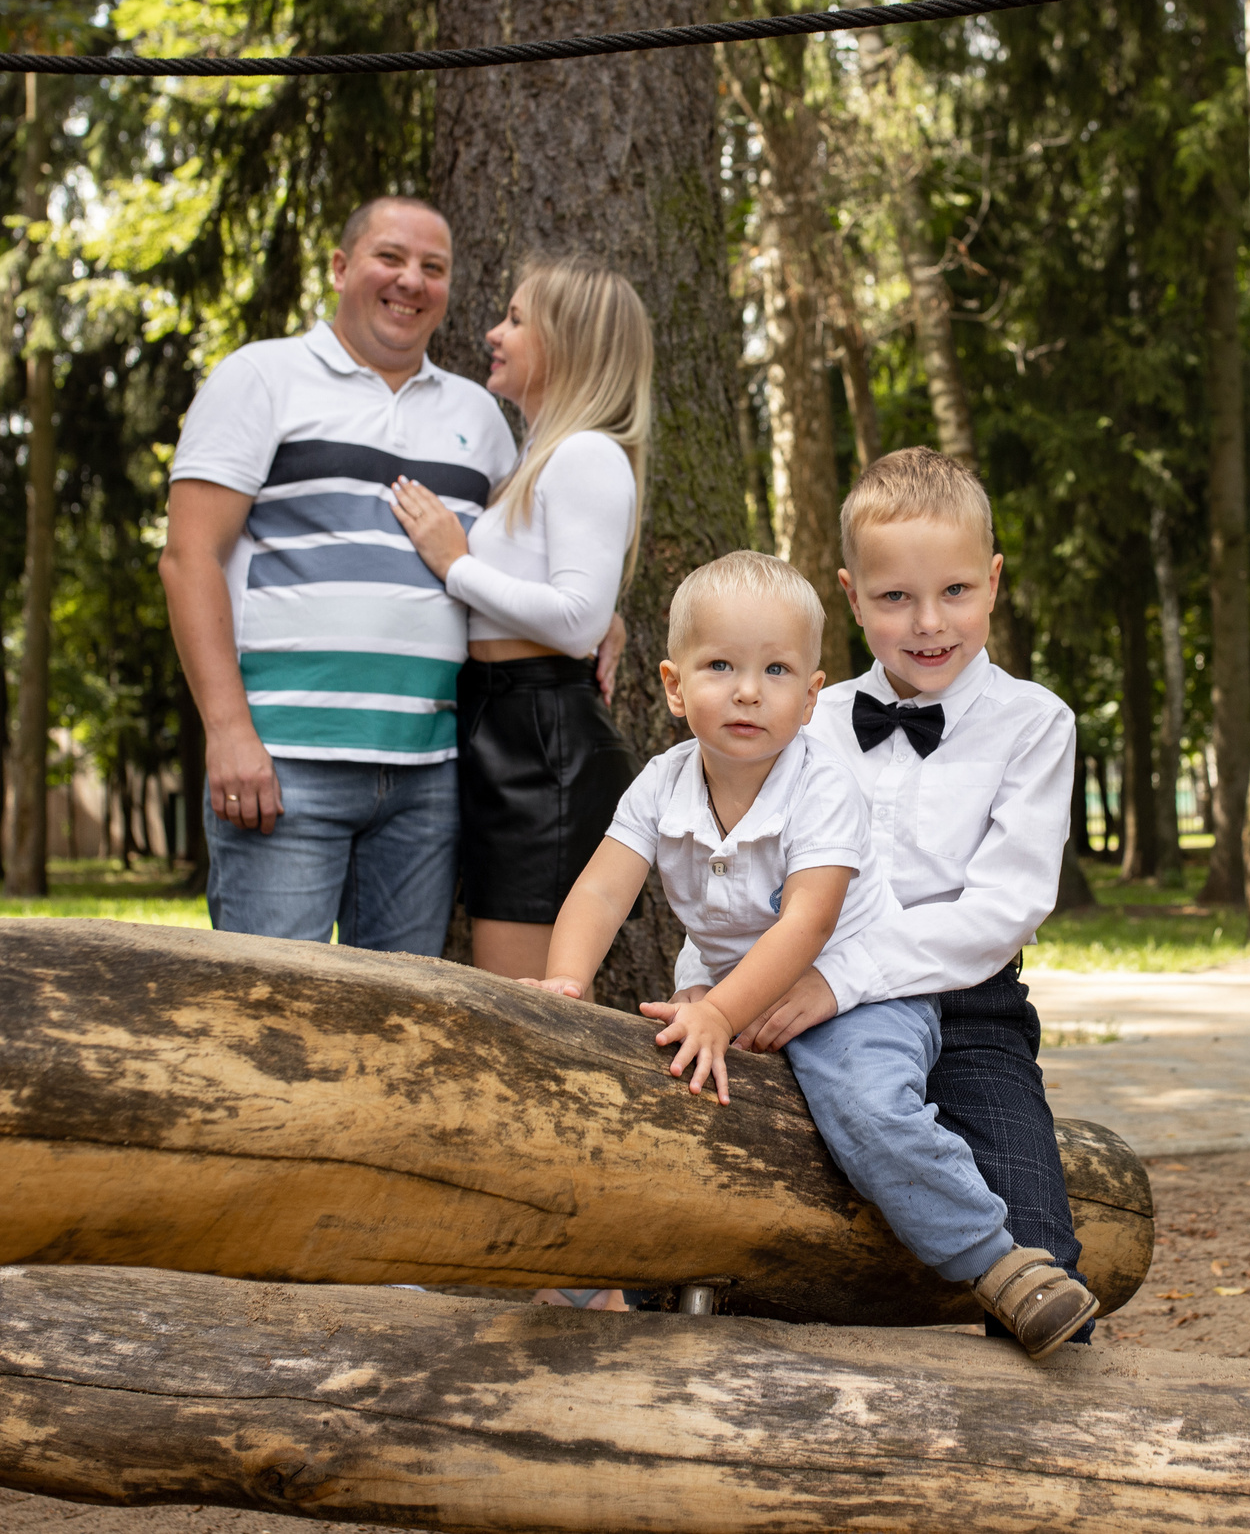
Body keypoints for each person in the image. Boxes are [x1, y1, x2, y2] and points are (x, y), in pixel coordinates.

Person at [533, 550, 1101, 1360]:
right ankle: (616, 1287)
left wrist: (726, 1013)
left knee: (867, 1110)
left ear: (812, 698)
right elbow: (599, 891)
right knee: (664, 1100)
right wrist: (567, 979)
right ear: (670, 683)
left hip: (855, 991)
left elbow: (807, 923)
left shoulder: (825, 781)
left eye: (774, 670)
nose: (746, 689)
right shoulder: (659, 783)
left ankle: (998, 1260)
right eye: (720, 665)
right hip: (727, 990)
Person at [738, 447, 1093, 1342]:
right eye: (895, 598)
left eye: (956, 593)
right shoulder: (806, 720)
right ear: (852, 597)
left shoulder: (1035, 723)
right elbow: (739, 864)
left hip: (969, 1006)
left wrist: (842, 976)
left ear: (994, 582)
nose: (929, 623)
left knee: (1039, 1247)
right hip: (809, 1001)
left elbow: (1000, 910)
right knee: (746, 1211)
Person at [159, 196, 513, 953]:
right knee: (267, 1016)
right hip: (282, 767)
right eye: (391, 257)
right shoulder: (260, 377)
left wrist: (600, 617)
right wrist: (227, 732)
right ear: (342, 266)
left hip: (428, 778)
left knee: (395, 1027)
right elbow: (188, 558)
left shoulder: (480, 416)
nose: (410, 281)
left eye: (433, 267)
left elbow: (516, 560)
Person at [388, 254, 647, 982]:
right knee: (521, 1000)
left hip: (541, 748)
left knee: (530, 1012)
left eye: (516, 320)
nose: (492, 333)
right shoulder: (541, 456)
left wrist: (455, 563)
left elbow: (575, 621)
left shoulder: (587, 454)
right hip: (503, 724)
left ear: (565, 343)